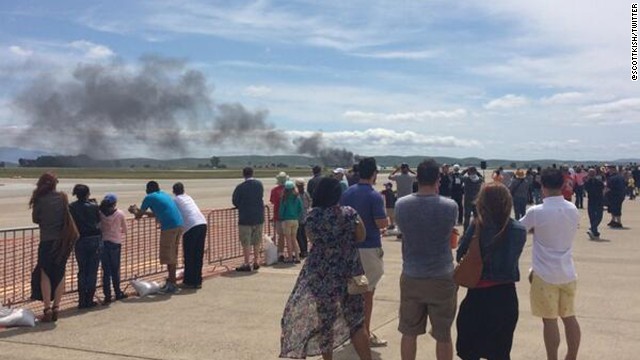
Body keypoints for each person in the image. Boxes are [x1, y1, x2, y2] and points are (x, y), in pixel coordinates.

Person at [280, 177, 371, 360]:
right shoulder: (349, 213)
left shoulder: (312, 215)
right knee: (356, 322)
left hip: (321, 275)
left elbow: (312, 237)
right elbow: (361, 236)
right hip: (348, 273)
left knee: (325, 323)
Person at [395, 159, 458, 360]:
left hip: (413, 274)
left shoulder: (401, 204)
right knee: (443, 335)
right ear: (438, 179)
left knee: (409, 331)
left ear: (417, 178)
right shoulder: (450, 206)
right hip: (441, 274)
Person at [455, 183, 527, 360]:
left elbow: (460, 254)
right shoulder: (519, 229)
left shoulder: (478, 226)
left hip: (478, 295)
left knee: (469, 350)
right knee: (500, 352)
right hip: (505, 296)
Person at [519, 168, 581, 360]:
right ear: (563, 185)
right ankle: (571, 355)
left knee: (550, 320)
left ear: (543, 186)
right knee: (570, 317)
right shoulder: (572, 209)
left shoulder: (536, 212)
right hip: (567, 272)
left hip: (545, 273)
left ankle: (552, 357)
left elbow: (518, 228)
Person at [341, 157, 389, 347]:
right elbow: (381, 223)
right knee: (367, 293)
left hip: (350, 248)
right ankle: (365, 333)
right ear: (374, 174)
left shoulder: (346, 193)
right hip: (368, 247)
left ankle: (352, 330)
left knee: (352, 293)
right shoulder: (374, 195)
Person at [29, 172, 72, 322]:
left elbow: (35, 219)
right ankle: (56, 307)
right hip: (62, 242)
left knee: (45, 273)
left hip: (46, 239)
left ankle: (47, 307)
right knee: (60, 273)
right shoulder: (62, 197)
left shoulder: (39, 199)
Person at [129, 181, 184, 294]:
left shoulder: (149, 197)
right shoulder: (163, 194)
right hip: (179, 225)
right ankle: (171, 281)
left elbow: (138, 215)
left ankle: (172, 284)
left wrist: (134, 210)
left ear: (148, 189)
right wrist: (142, 212)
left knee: (168, 256)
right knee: (173, 254)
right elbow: (157, 213)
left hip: (169, 227)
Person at [69, 184, 103, 309]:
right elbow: (98, 221)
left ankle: (82, 300)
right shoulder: (93, 207)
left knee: (82, 271)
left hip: (80, 239)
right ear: (87, 194)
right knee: (92, 270)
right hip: (94, 238)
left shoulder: (72, 207)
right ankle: (89, 299)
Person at [173, 182, 207, 289]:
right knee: (198, 254)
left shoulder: (176, 200)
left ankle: (189, 281)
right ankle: (197, 280)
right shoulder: (188, 197)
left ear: (174, 191)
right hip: (202, 223)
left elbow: (173, 213)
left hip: (191, 227)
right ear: (183, 190)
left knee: (189, 255)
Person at [232, 167, 265, 272]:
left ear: (243, 174)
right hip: (258, 216)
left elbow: (235, 201)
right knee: (256, 240)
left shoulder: (240, 187)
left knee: (246, 241)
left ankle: (246, 263)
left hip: (245, 218)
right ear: (252, 173)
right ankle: (256, 261)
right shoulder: (259, 185)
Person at [99, 193, 128, 304]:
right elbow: (125, 229)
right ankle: (117, 292)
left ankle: (107, 295)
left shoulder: (100, 213)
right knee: (115, 270)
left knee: (106, 271)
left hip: (104, 242)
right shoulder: (119, 214)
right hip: (115, 243)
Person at [279, 180, 304, 264]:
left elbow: (281, 210)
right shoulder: (297, 197)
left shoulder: (284, 198)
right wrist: (297, 215)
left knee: (288, 239)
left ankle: (290, 257)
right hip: (295, 220)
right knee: (294, 239)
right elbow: (301, 209)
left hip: (287, 219)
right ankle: (297, 257)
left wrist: (281, 217)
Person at [271, 172, 288, 262]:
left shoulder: (274, 190)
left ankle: (280, 253)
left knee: (280, 235)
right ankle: (291, 252)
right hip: (288, 216)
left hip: (278, 215)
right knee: (291, 236)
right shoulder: (290, 190)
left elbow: (272, 201)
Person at [584, 168, 605, 240]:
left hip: (596, 200)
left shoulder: (598, 182)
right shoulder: (588, 182)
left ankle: (592, 229)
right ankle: (594, 232)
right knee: (594, 217)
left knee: (597, 217)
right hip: (594, 201)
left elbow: (603, 190)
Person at [462, 167, 483, 232]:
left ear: (469, 172)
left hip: (468, 200)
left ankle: (465, 231)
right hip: (476, 200)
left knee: (467, 217)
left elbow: (460, 176)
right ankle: (477, 230)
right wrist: (477, 172)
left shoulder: (466, 179)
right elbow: (482, 177)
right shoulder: (479, 180)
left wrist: (465, 170)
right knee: (477, 216)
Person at [294, 178, 311, 258]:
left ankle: (303, 250)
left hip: (299, 217)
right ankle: (305, 250)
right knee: (303, 234)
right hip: (305, 216)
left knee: (299, 235)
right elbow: (309, 203)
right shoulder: (306, 194)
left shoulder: (296, 194)